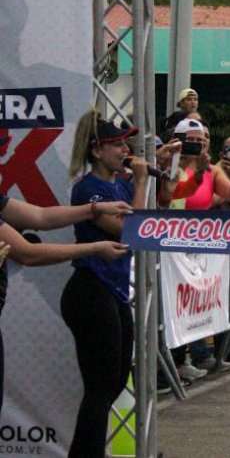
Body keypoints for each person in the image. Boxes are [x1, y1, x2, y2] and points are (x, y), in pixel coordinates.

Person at [0, 170, 131, 415]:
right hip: (92, 286)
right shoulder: (87, 184)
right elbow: (29, 253)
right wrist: (93, 247)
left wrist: (94, 209)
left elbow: (41, 216)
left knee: (110, 381)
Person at [60, 110, 151, 455]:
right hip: (90, 289)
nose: (124, 150)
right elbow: (131, 230)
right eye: (117, 144)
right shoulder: (89, 189)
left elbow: (158, 206)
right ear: (97, 151)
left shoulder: (120, 184)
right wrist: (142, 182)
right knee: (100, 387)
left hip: (113, 291)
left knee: (113, 383)